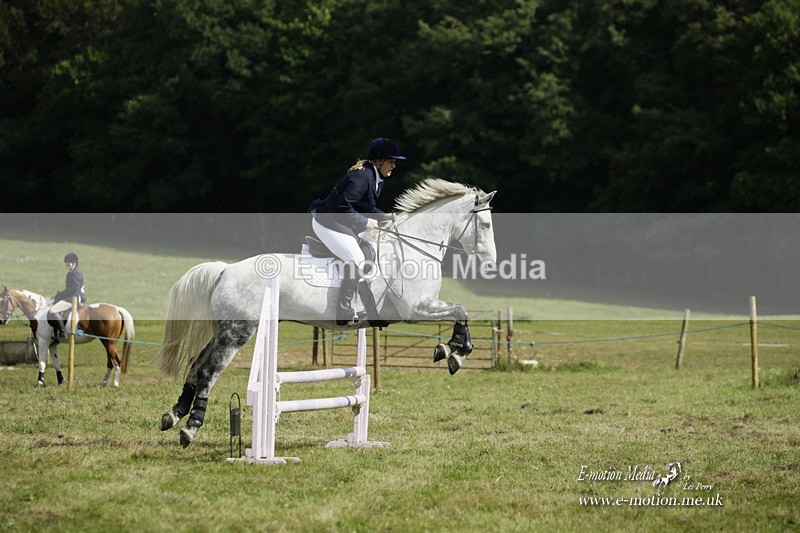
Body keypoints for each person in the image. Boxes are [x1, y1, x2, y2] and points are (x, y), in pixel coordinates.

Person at [308, 137, 405, 325]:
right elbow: (343, 207)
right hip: (325, 222)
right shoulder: (362, 177)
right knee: (356, 259)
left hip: (339, 221)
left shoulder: (376, 179)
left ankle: (366, 307)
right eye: (391, 161)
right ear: (378, 161)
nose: (394, 166)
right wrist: (364, 222)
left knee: (368, 251)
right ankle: (343, 312)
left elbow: (365, 205)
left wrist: (384, 216)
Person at [47, 252, 86, 342]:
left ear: (74, 262)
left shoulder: (74, 273)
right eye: (66, 262)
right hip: (74, 296)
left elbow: (73, 289)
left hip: (74, 298)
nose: (68, 264)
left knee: (52, 310)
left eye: (70, 262)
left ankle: (63, 332)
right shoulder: (73, 272)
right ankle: (56, 334)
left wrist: (61, 295)